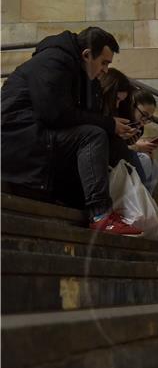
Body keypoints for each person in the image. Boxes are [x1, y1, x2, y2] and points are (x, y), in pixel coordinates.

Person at [1, 27, 141, 236]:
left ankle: (120, 211)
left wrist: (112, 128)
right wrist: (108, 124)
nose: (105, 70)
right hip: (19, 136)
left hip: (36, 132)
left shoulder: (79, 72)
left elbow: (83, 114)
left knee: (112, 143)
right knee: (92, 136)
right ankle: (100, 214)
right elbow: (55, 114)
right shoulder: (53, 62)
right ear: (86, 55)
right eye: (103, 63)